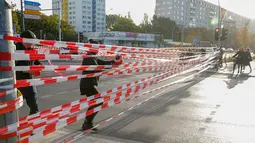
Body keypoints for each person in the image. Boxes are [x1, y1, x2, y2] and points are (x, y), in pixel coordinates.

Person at [80, 39, 123, 131]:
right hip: (87, 84)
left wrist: (114, 61)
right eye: (97, 47)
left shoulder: (93, 56)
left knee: (96, 102)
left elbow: (103, 63)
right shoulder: (89, 57)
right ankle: (87, 123)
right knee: (98, 101)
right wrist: (107, 67)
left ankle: (87, 123)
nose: (98, 49)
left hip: (90, 84)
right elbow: (96, 68)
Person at [15, 30, 41, 115]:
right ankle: (11, 125)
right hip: (16, 82)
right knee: (13, 107)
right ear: (23, 40)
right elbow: (15, 65)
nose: (32, 44)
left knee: (34, 105)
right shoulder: (14, 49)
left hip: (29, 81)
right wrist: (28, 69)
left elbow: (37, 62)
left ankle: (32, 124)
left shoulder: (32, 49)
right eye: (30, 41)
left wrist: (39, 68)